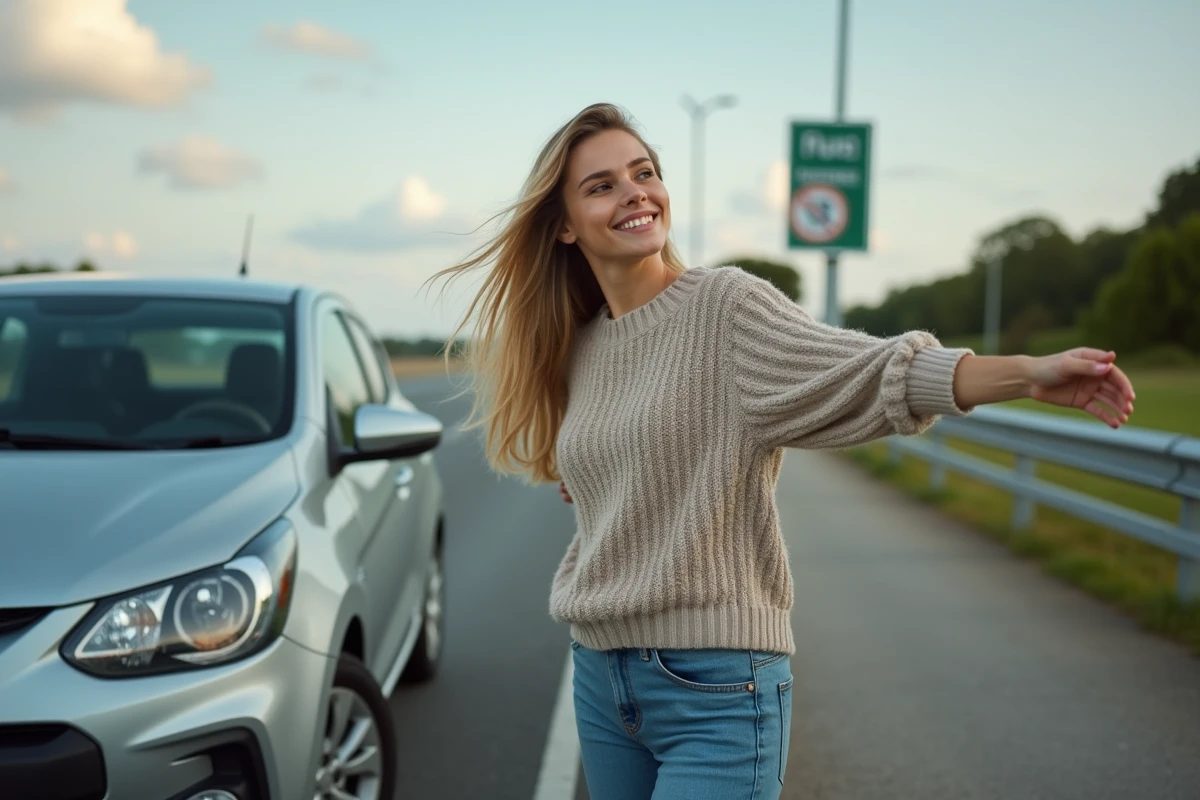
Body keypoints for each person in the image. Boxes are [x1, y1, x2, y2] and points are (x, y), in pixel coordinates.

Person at [429, 103, 1136, 800]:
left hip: (716, 688)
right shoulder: (581, 342)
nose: (635, 193)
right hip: (602, 677)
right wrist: (605, 478)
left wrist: (1028, 373)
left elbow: (871, 368)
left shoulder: (725, 308)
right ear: (561, 225)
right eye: (603, 184)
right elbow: (611, 466)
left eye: (644, 172)